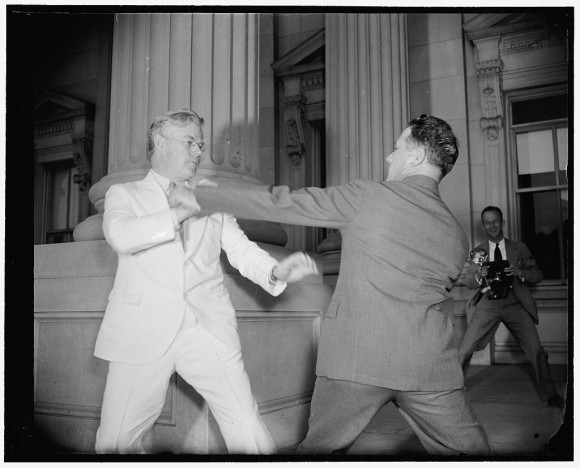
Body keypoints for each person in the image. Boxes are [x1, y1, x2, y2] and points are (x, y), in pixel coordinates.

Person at [193, 115, 493, 456]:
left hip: (355, 362)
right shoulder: (456, 233)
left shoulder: (367, 196)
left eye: (397, 149)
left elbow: (284, 202)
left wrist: (206, 197)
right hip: (428, 367)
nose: (389, 157)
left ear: (416, 158)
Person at [93, 109, 319, 454]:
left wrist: (275, 271)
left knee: (246, 424)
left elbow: (241, 249)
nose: (199, 152)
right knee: (117, 441)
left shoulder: (210, 194)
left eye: (200, 144)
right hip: (141, 332)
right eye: (190, 143)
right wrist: (181, 211)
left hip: (206, 328)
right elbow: (121, 236)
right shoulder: (124, 194)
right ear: (159, 142)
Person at [458, 206, 565, 408]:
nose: (492, 226)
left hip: (515, 303)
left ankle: (549, 394)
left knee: (537, 350)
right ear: (483, 225)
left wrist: (518, 271)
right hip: (488, 304)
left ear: (503, 222)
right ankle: (454, 392)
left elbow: (538, 274)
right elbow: (469, 283)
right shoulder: (478, 251)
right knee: (463, 350)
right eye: (487, 222)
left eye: (495, 221)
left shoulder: (518, 248)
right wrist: (480, 272)